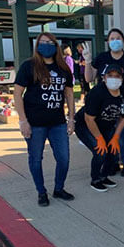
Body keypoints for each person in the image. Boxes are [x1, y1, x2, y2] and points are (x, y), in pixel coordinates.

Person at [14, 32, 75, 207]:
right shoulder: (29, 66)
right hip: (35, 123)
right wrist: (23, 120)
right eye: (42, 42)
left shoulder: (63, 68)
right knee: (35, 159)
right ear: (37, 46)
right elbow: (17, 94)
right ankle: (41, 192)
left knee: (63, 158)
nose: (46, 45)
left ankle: (59, 188)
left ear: (55, 45)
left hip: (57, 122)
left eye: (49, 42)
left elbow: (69, 93)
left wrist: (72, 118)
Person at [83, 28, 124, 177]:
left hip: (120, 100)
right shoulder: (102, 58)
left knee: (120, 133)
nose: (115, 41)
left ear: (123, 41)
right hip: (102, 102)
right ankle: (113, 163)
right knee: (106, 133)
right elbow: (89, 78)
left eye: (118, 38)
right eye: (112, 38)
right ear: (108, 42)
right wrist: (87, 61)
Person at [75, 64, 124, 192]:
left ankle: (104, 176)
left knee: (114, 151)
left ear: (122, 78)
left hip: (107, 126)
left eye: (117, 76)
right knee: (100, 151)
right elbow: (89, 119)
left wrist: (116, 137)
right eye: (110, 75)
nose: (114, 78)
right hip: (85, 125)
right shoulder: (97, 92)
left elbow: (123, 117)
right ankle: (95, 179)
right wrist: (99, 138)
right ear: (104, 77)